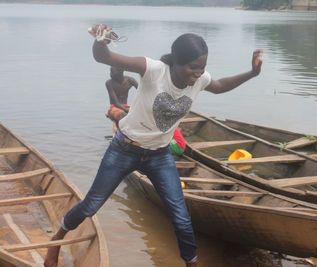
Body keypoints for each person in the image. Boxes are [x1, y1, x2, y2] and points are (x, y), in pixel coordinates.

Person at [44, 23, 263, 267]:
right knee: (91, 205)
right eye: (193, 67)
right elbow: (103, 57)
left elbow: (220, 86)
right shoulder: (154, 69)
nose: (199, 73)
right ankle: (56, 240)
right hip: (124, 149)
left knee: (181, 218)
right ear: (177, 62)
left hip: (159, 156)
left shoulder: (199, 79)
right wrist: (100, 40)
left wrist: (252, 73)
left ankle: (191, 264)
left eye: (203, 67)